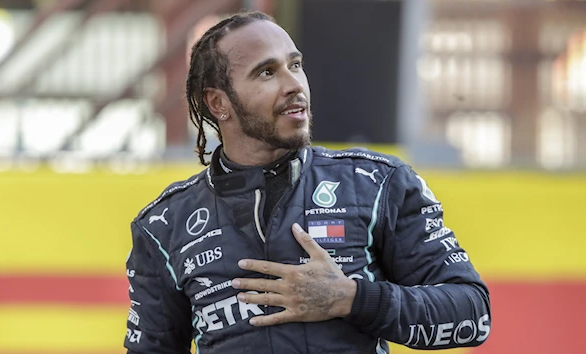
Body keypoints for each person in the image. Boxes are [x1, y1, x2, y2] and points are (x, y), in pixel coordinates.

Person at [124, 11, 491, 354]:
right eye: (267, 73)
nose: (294, 85)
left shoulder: (377, 184)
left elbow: (472, 313)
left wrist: (350, 298)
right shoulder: (163, 225)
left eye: (295, 65)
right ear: (219, 103)